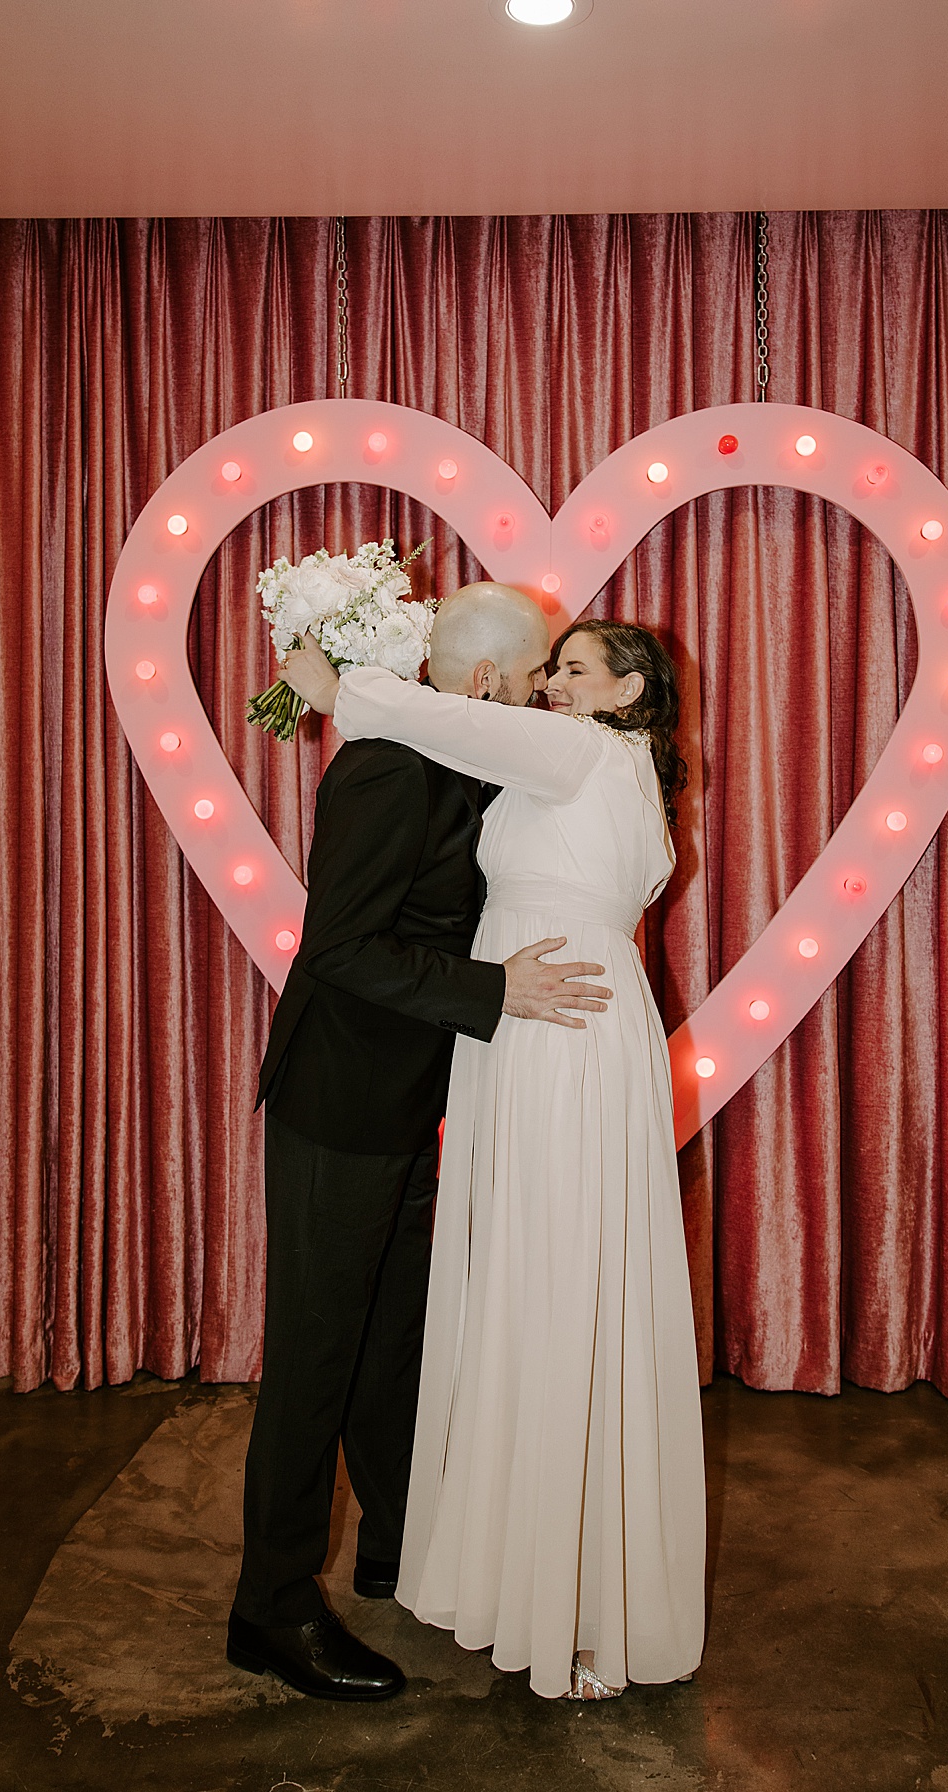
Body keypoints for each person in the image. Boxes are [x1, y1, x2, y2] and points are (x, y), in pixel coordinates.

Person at [282, 611, 707, 1702]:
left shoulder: (581, 751)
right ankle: (524, 1564)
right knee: (536, 1282)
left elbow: (421, 714)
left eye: (574, 670)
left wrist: (335, 679)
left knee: (549, 1284)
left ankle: (557, 1589)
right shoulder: (597, 773)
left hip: (551, 1034)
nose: (554, 685)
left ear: (627, 694)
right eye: (546, 668)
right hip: (537, 1032)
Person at [228, 584, 613, 1704]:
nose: (548, 689)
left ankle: (399, 1547)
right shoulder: (391, 765)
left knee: (391, 1344)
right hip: (339, 1099)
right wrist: (497, 991)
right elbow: (341, 947)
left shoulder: (458, 754)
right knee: (315, 1358)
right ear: (488, 680)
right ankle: (272, 1604)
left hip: (404, 1099)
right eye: (541, 670)